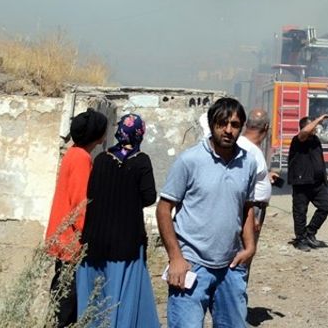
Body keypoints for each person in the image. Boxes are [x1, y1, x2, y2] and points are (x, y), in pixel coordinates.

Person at [157, 97, 258, 328]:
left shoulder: (248, 163)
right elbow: (164, 209)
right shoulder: (189, 160)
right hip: (191, 264)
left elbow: (247, 207)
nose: (228, 130)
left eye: (234, 125)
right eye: (222, 124)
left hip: (230, 267)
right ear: (212, 124)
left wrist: (250, 248)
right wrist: (175, 258)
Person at [76, 113, 160, 328]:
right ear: (139, 133)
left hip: (96, 241)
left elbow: (92, 193)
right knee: (121, 298)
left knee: (96, 296)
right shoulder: (141, 161)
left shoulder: (101, 159)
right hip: (127, 242)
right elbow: (149, 196)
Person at [45, 109, 109, 328]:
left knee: (61, 302)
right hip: (71, 243)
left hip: (63, 239)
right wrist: (89, 237)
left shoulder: (73, 153)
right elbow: (80, 204)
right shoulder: (82, 158)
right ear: (97, 135)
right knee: (66, 307)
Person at [288, 113, 328, 251]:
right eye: (312, 125)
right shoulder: (298, 139)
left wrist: (324, 176)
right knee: (300, 212)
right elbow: (304, 133)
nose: (315, 127)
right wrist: (318, 119)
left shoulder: (315, 140)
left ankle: (310, 233)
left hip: (317, 183)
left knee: (325, 206)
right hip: (302, 183)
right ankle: (300, 239)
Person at [239, 109, 277, 248]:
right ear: (266, 127)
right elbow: (240, 185)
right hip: (251, 208)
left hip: (253, 208)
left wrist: (265, 177)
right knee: (245, 251)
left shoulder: (248, 147)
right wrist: (250, 217)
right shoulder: (249, 149)